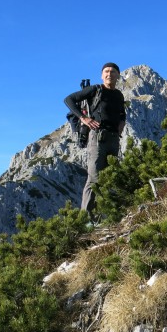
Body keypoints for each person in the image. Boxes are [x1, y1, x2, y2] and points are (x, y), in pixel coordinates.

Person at [64, 62, 126, 219]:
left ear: (118, 75)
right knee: (94, 177)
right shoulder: (95, 90)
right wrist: (83, 118)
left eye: (112, 72)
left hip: (113, 139)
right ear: (101, 75)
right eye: (106, 71)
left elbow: (121, 113)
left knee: (109, 178)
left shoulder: (119, 95)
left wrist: (122, 122)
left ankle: (104, 216)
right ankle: (86, 219)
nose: (109, 74)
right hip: (97, 138)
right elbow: (69, 99)